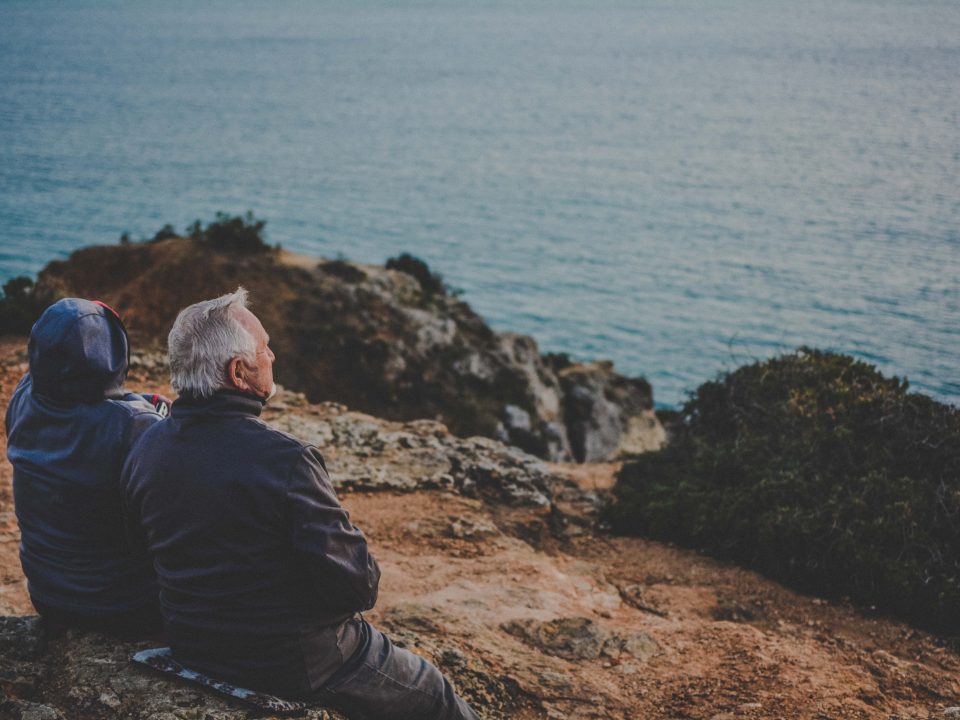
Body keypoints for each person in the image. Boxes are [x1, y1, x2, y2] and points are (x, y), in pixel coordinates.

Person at [121, 288, 479, 720]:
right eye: (265, 349)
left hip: (191, 643)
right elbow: (359, 586)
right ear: (239, 372)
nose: (273, 356)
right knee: (435, 693)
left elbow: (146, 550)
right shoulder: (284, 459)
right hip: (295, 662)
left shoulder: (147, 446)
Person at [5, 298, 168, 637]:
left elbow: (84, 403)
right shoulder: (135, 426)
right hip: (123, 606)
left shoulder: (24, 395)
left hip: (47, 594)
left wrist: (136, 401)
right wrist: (155, 411)